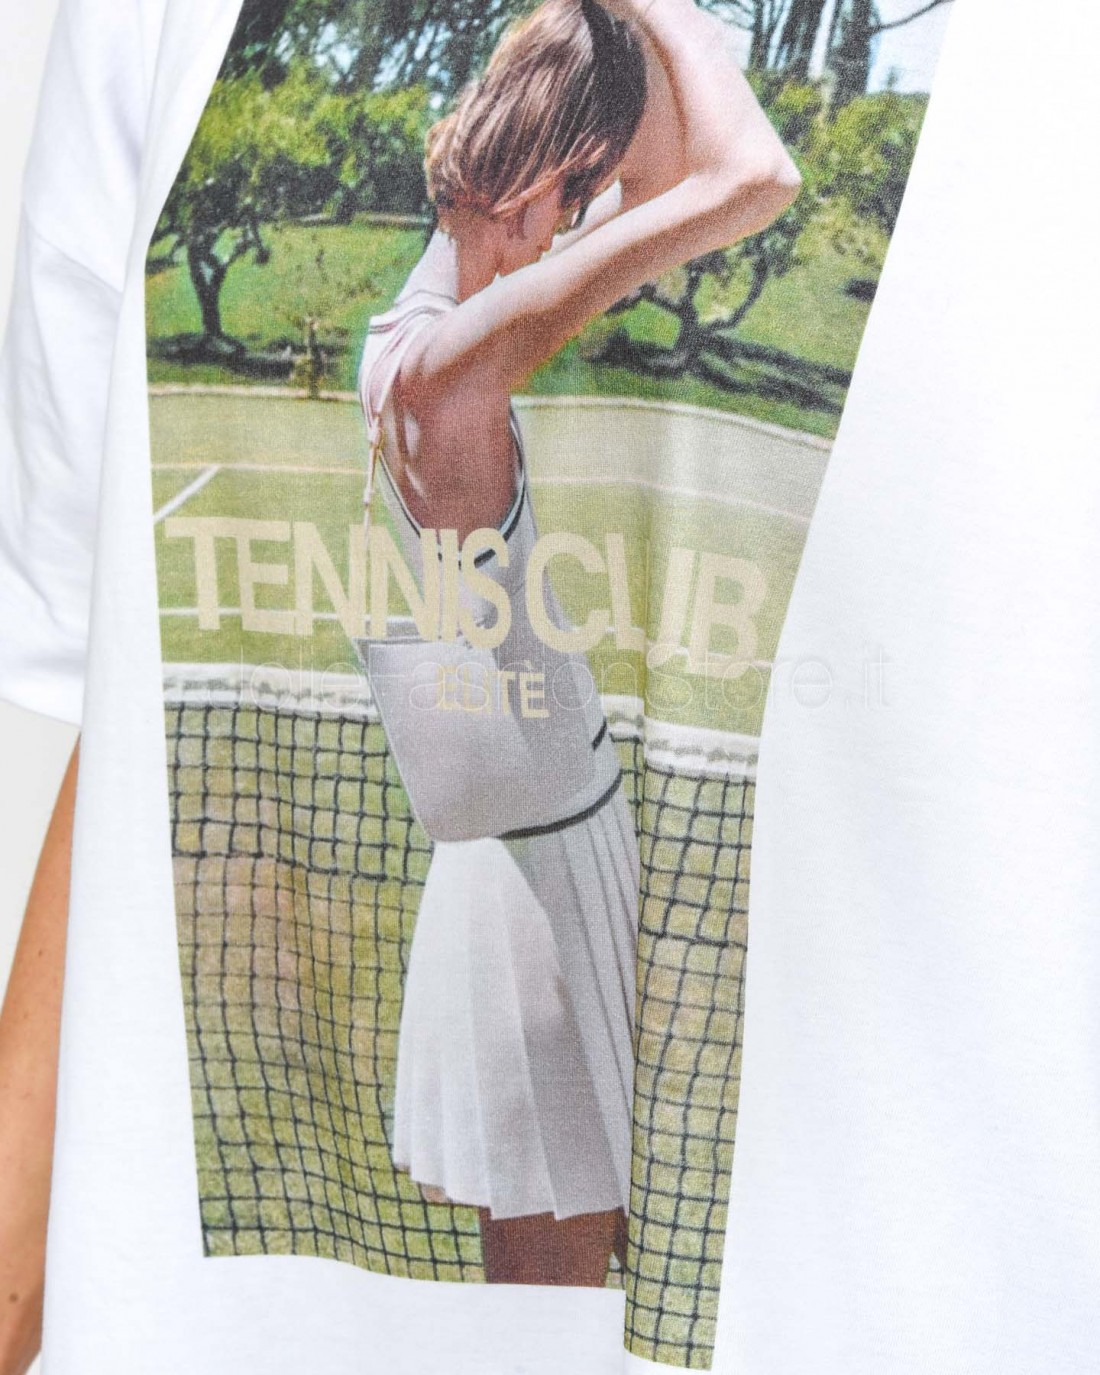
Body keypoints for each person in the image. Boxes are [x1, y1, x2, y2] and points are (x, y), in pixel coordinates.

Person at [354, 0, 800, 1288]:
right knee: (549, 1316)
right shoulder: (454, 370)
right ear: (540, 180)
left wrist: (587, 66)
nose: (579, 227)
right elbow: (753, 179)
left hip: (528, 859)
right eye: (571, 197)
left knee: (555, 1297)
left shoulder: (416, 333)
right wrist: (665, 13)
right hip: (543, 895)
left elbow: (663, 186)